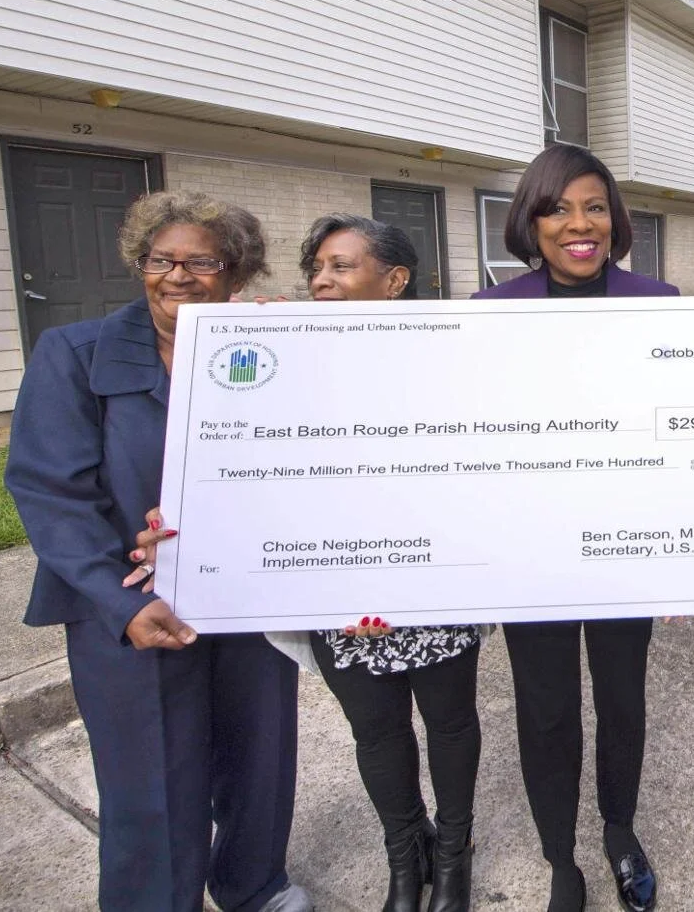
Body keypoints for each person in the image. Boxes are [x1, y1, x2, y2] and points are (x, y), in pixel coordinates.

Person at [4, 191, 311, 912]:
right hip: (134, 604)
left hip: (245, 593)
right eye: (160, 258)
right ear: (140, 265)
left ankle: (252, 883)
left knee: (258, 752)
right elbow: (51, 491)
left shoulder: (264, 351)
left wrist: (302, 343)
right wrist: (122, 599)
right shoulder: (72, 355)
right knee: (150, 776)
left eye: (200, 259)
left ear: (234, 271)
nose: (177, 274)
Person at [470, 143, 672, 912]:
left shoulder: (659, 300)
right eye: (556, 207)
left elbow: (684, 429)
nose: (577, 224)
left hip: (626, 545)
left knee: (623, 696)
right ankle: (562, 856)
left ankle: (619, 829)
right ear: (531, 219)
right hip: (534, 552)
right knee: (546, 707)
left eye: (593, 205)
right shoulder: (489, 314)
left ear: (614, 218)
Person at [285, 215, 483, 912]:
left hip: (431, 581)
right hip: (337, 588)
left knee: (450, 720)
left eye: (341, 265)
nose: (321, 280)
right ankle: (408, 856)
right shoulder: (288, 359)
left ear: (394, 280)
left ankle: (454, 855)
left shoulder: (447, 358)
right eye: (317, 267)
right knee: (376, 728)